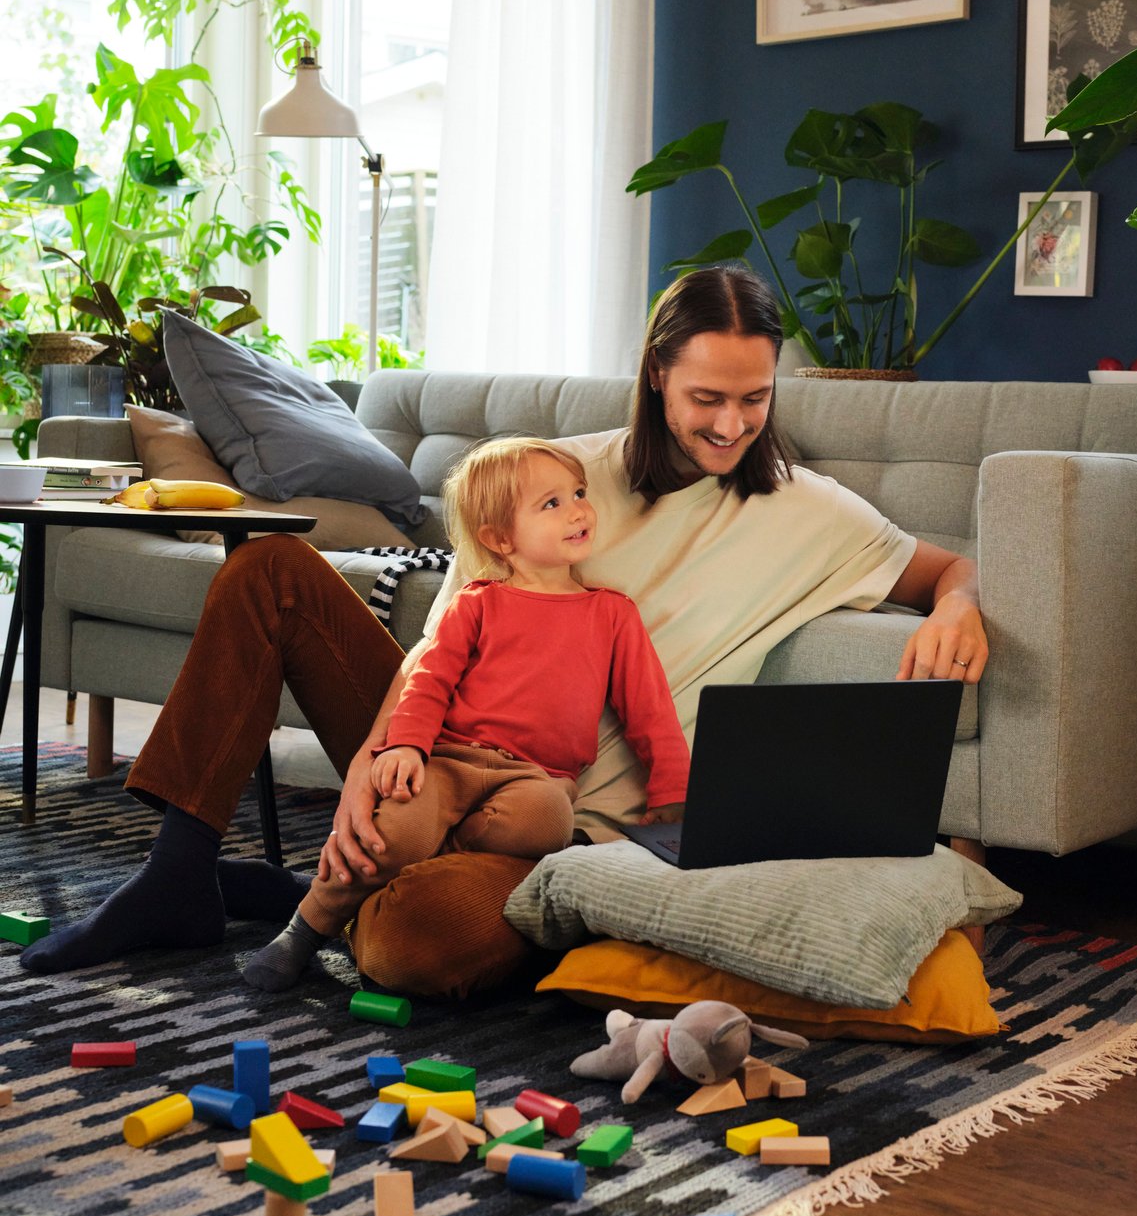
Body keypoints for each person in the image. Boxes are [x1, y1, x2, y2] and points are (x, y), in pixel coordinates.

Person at [21, 265, 988, 993]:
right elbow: (445, 635)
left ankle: (317, 901)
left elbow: (947, 565)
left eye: (756, 397)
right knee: (271, 565)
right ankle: (178, 876)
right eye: (708, 398)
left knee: (415, 945)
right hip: (429, 743)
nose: (733, 424)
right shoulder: (562, 475)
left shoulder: (808, 509)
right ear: (657, 377)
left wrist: (956, 606)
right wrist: (374, 761)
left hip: (553, 822)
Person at [241, 436, 688, 991]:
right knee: (391, 834)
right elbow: (428, 680)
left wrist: (672, 789)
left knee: (550, 821)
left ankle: (425, 863)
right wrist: (405, 745)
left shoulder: (613, 613)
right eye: (551, 504)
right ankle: (306, 928)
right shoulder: (478, 602)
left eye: (578, 494)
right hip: (447, 759)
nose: (578, 510)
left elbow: (650, 709)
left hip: (536, 776)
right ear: (500, 538)